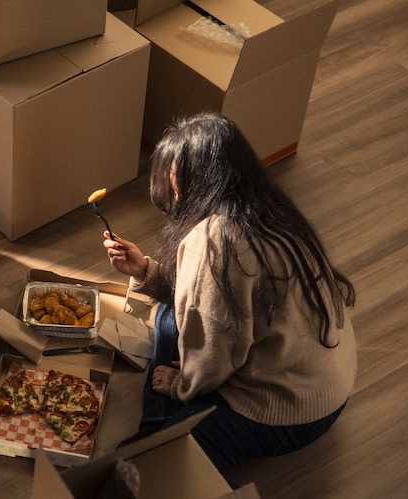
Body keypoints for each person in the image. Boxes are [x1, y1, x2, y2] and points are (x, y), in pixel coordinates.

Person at [104, 113, 356, 473]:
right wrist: (145, 272)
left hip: (290, 410)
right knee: (165, 313)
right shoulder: (269, 207)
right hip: (322, 380)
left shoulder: (213, 243)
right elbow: (213, 306)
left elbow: (212, 351)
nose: (173, 195)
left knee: (152, 469)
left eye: (176, 185)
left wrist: (182, 387)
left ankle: (157, 430)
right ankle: (160, 429)